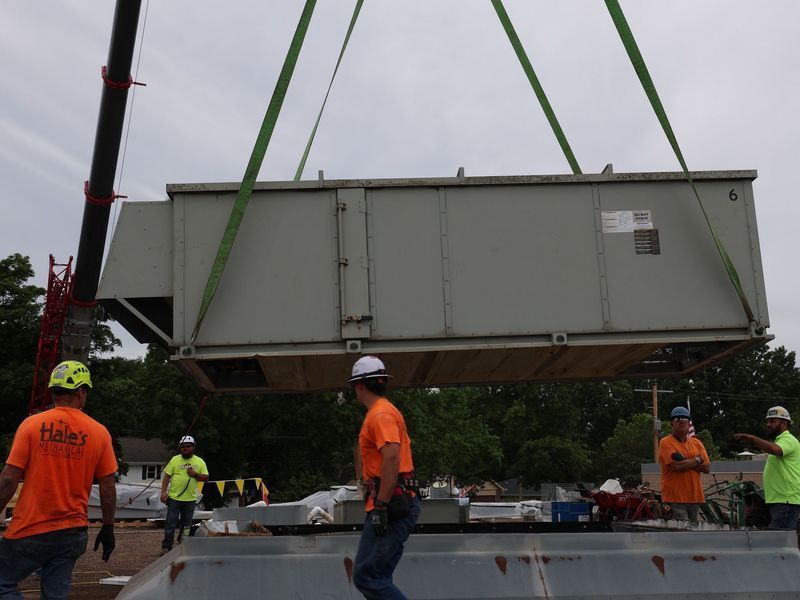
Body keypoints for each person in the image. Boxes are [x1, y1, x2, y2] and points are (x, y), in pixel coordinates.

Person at [0, 360, 118, 599]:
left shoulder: (31, 425)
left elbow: (9, 479)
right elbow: (107, 485)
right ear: (81, 392)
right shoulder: (99, 432)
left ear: (54, 390)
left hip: (30, 529)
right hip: (72, 532)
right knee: (55, 595)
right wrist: (108, 526)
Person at [350, 356, 420, 600]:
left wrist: (381, 505)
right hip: (397, 503)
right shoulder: (384, 412)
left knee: (366, 576)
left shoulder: (380, 415)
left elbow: (391, 458)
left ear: (359, 386)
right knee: (378, 576)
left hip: (392, 506)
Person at [734, 406, 800, 529]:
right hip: (781, 501)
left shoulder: (788, 439)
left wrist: (752, 438)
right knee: (779, 541)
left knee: (780, 542)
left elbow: (775, 450)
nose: (768, 424)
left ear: (784, 423)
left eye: (773, 421)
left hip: (786, 501)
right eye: (768, 421)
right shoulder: (781, 441)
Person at [658, 406, 710, 522]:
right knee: (683, 533)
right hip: (674, 498)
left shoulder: (697, 442)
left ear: (689, 423)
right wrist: (696, 460)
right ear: (672, 423)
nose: (681, 421)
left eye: (684, 419)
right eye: (677, 419)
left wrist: (684, 461)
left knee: (692, 534)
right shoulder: (665, 442)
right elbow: (675, 466)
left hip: (695, 497)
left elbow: (706, 467)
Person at [160, 435, 209, 555]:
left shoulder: (199, 461)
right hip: (175, 498)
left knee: (187, 524)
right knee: (170, 522)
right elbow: (167, 476)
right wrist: (163, 492)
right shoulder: (175, 460)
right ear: (180, 448)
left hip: (190, 499)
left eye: (188, 446)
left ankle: (183, 543)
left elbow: (206, 478)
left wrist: (195, 474)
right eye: (183, 447)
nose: (185, 448)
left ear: (193, 447)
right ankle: (166, 546)